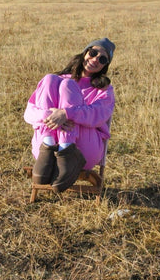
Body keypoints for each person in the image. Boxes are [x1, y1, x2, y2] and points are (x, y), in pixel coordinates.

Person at [24, 38, 115, 193]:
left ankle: (67, 148)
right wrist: (51, 115)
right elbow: (29, 114)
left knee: (68, 85)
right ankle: (48, 143)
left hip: (82, 150)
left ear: (105, 65)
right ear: (85, 52)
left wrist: (66, 114)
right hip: (46, 150)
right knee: (49, 78)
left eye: (102, 59)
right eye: (93, 53)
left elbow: (98, 115)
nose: (95, 59)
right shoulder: (56, 81)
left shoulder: (103, 89)